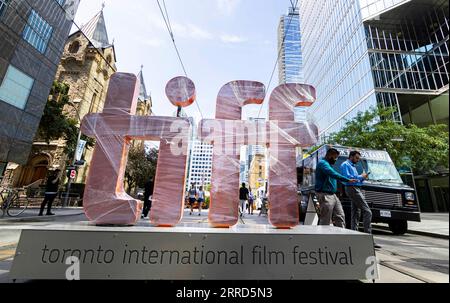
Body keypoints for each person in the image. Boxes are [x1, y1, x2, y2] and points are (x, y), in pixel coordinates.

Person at [315, 148, 357, 228]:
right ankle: (322, 238)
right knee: (325, 219)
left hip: (333, 195)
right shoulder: (323, 164)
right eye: (335, 157)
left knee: (340, 215)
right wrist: (347, 179)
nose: (336, 159)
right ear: (330, 155)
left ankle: (341, 235)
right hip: (325, 195)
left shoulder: (328, 164)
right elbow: (332, 174)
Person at [341, 151, 372, 234]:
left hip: (355, 188)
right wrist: (361, 176)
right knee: (367, 211)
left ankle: (354, 234)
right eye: (356, 158)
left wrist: (363, 177)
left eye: (358, 158)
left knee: (356, 212)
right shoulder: (345, 165)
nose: (358, 160)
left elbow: (356, 179)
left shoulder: (352, 166)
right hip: (352, 188)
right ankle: (368, 235)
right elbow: (347, 178)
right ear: (351, 156)